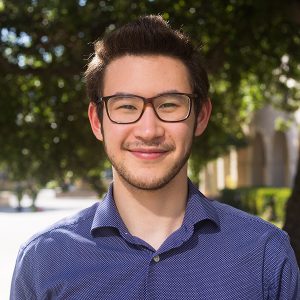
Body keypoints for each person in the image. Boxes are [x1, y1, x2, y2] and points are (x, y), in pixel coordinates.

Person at [10, 15, 299, 300]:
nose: (149, 130)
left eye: (170, 104)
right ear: (97, 122)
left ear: (201, 116)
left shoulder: (264, 255)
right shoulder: (42, 262)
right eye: (126, 106)